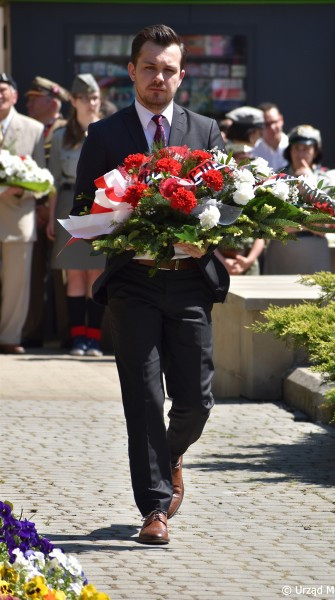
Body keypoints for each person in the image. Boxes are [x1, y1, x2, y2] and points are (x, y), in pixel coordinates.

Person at [71, 24, 228, 545]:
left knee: (196, 401)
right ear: (132, 72)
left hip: (189, 282)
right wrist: (121, 220)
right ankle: (155, 509)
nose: (158, 77)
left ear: (181, 75)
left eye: (168, 69)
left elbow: (229, 208)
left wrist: (207, 238)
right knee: (141, 397)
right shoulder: (106, 135)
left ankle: (172, 453)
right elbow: (81, 211)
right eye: (149, 68)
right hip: (132, 283)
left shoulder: (205, 131)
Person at [47, 74, 106, 356]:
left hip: (99, 204)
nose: (92, 103)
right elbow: (55, 181)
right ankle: (76, 337)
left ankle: (93, 337)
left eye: (95, 98)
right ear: (73, 101)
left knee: (96, 273)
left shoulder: (108, 130)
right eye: (86, 98)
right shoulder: (61, 136)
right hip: (68, 205)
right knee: (74, 276)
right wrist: (49, 219)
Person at [23, 76, 70, 349]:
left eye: (33, 98)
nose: (28, 103)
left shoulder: (66, 129)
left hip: (57, 211)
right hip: (31, 211)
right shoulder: (29, 130)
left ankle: (66, 332)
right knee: (32, 275)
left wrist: (47, 208)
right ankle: (32, 331)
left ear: (53, 101)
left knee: (63, 275)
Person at [0, 73, 45, 354]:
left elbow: (42, 178)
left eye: (3, 90)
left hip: (18, 215)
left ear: (15, 95)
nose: (0, 96)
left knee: (17, 283)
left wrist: (20, 189)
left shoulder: (33, 129)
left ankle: (9, 337)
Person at [263, 124, 331, 274]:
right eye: (296, 148)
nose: (300, 154)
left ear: (315, 151)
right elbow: (271, 225)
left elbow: (325, 226)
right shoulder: (277, 179)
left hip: (314, 252)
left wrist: (310, 184)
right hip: (282, 251)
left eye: (306, 149)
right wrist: (309, 222)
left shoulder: (325, 181)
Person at [216, 106, 265, 274]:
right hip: (221, 256)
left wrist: (249, 260)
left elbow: (263, 223)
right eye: (259, 132)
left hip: (245, 258)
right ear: (251, 134)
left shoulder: (258, 168)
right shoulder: (221, 168)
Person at [253, 102, 288, 171]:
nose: (272, 127)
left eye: (274, 122)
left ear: (281, 119)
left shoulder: (293, 148)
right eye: (267, 124)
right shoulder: (253, 151)